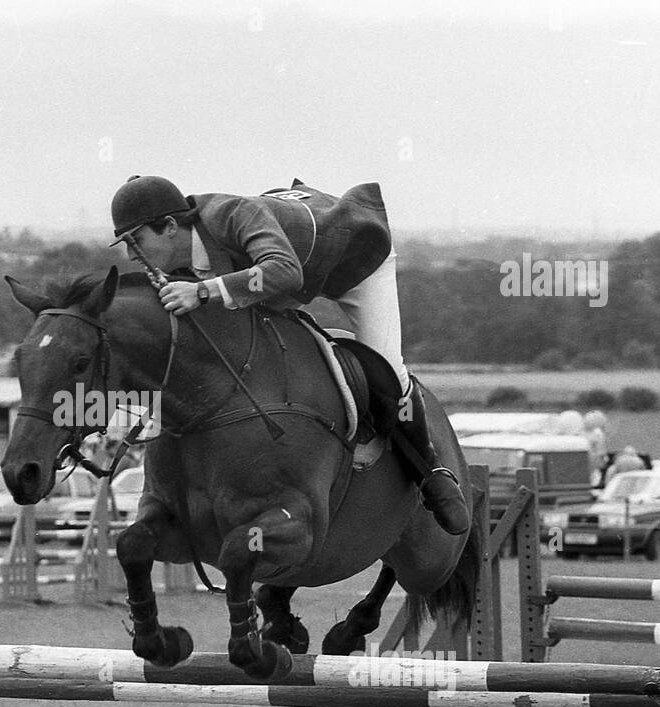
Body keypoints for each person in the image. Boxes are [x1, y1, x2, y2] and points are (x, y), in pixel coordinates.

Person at [108, 174, 469, 535]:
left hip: (355, 262)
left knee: (389, 366)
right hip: (288, 280)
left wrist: (202, 292)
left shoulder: (233, 214)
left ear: (169, 226)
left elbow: (285, 271)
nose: (130, 255)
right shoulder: (175, 265)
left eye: (135, 241)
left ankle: (432, 473)